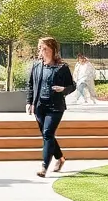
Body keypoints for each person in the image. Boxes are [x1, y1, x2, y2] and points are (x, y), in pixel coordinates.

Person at [26, 36, 76, 178]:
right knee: (47, 135)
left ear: (53, 50)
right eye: (41, 49)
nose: (42, 52)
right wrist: (29, 102)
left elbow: (72, 86)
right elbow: (31, 85)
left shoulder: (62, 68)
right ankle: (60, 158)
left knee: (47, 133)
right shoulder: (37, 66)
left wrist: (63, 89)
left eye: (45, 49)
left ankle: (44, 166)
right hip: (40, 106)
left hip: (55, 107)